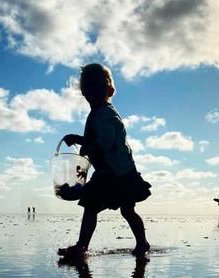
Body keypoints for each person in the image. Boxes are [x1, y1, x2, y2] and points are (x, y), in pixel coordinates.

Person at [58, 63, 151, 258]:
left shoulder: (106, 114)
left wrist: (88, 147)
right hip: (109, 173)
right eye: (89, 87)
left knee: (124, 210)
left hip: (120, 174)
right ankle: (83, 246)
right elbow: (97, 140)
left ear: (110, 90)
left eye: (98, 87)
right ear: (84, 92)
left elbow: (106, 141)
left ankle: (141, 243)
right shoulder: (98, 113)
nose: (93, 92)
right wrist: (79, 139)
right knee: (94, 206)